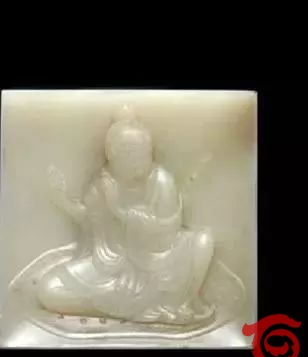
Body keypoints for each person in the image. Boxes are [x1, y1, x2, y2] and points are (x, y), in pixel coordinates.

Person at [38, 105, 214, 324]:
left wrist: (121, 212)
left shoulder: (160, 181)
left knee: (203, 241)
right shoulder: (103, 184)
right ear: (112, 155)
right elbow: (88, 221)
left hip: (158, 262)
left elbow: (168, 232)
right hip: (111, 265)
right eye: (131, 154)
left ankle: (143, 304)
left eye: (144, 153)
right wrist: (61, 200)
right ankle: (133, 305)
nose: (140, 161)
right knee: (49, 288)